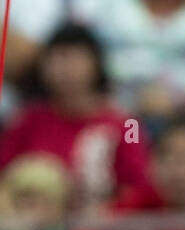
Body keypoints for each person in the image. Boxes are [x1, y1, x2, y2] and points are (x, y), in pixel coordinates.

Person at [0, 24, 153, 210]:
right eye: (57, 59)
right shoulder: (26, 119)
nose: (65, 69)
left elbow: (137, 185)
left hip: (104, 227)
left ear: (96, 63)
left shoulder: (130, 124)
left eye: (74, 59)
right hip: (35, 227)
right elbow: (4, 176)